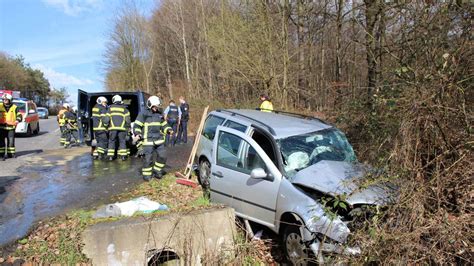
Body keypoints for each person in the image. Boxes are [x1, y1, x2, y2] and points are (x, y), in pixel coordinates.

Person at [133, 96, 173, 181]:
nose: (156, 108)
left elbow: (163, 124)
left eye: (157, 107)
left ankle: (157, 170)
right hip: (148, 140)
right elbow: (137, 125)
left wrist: (168, 129)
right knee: (148, 159)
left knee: (163, 156)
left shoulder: (159, 114)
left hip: (159, 139)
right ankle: (147, 175)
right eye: (155, 107)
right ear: (150, 105)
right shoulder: (143, 113)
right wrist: (137, 133)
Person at [106, 95, 131, 161]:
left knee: (111, 141)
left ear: (114, 100)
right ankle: (123, 156)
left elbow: (106, 119)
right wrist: (128, 127)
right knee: (122, 141)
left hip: (112, 129)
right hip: (122, 129)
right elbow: (128, 120)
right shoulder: (125, 109)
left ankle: (110, 157)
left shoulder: (110, 108)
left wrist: (105, 125)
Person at [0, 93, 22, 160]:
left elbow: (19, 115)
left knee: (11, 142)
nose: (5, 101)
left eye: (6, 100)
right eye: (4, 99)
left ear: (10, 100)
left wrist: (18, 120)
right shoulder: (0, 106)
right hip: (1, 127)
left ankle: (11, 154)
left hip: (11, 128)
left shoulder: (15, 107)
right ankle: (1, 155)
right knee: (1, 142)